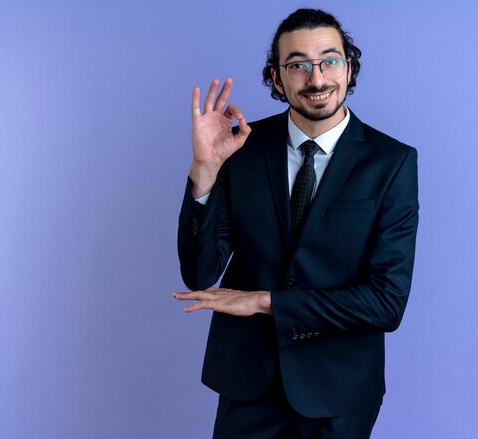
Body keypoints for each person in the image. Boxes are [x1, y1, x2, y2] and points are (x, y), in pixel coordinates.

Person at [173, 8, 419, 439]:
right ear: (276, 78)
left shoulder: (392, 163)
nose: (317, 78)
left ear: (349, 67)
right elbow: (200, 274)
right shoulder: (240, 148)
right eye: (298, 65)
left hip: (339, 392)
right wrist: (205, 170)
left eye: (330, 60)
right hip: (248, 384)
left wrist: (267, 302)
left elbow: (386, 303)